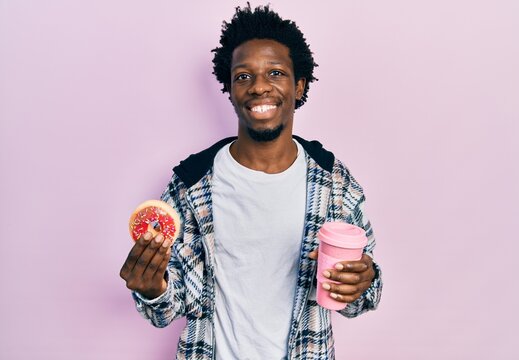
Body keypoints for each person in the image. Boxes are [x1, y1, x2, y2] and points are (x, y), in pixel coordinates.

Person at [120, 4, 382, 359]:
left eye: (275, 72)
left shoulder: (333, 182)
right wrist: (152, 288)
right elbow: (166, 308)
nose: (259, 86)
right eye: (243, 76)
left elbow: (362, 297)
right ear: (229, 88)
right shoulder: (191, 185)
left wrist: (362, 282)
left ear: (299, 86)